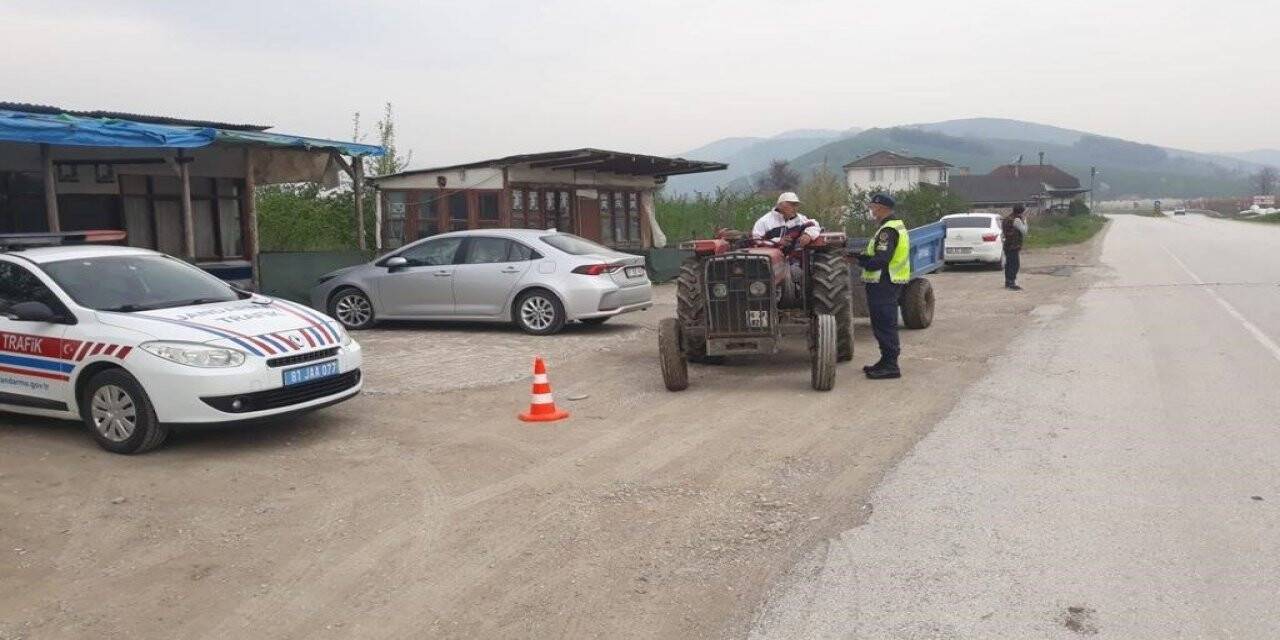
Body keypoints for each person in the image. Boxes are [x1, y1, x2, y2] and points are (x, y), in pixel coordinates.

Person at [854, 194, 910, 380]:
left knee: (885, 324)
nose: (871, 210)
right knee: (882, 323)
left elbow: (881, 260)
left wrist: (862, 262)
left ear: (881, 208)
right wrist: (860, 256)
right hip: (886, 282)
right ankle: (885, 361)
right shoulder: (892, 226)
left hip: (884, 282)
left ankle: (891, 365)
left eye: (872, 207)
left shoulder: (888, 230)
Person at [1002, 205, 1028, 290]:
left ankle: (1008, 282)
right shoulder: (1017, 220)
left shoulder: (1007, 218)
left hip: (1007, 244)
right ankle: (1011, 283)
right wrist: (1024, 221)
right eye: (1023, 212)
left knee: (1009, 264)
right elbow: (1024, 231)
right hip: (1014, 245)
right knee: (1015, 265)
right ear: (1020, 212)